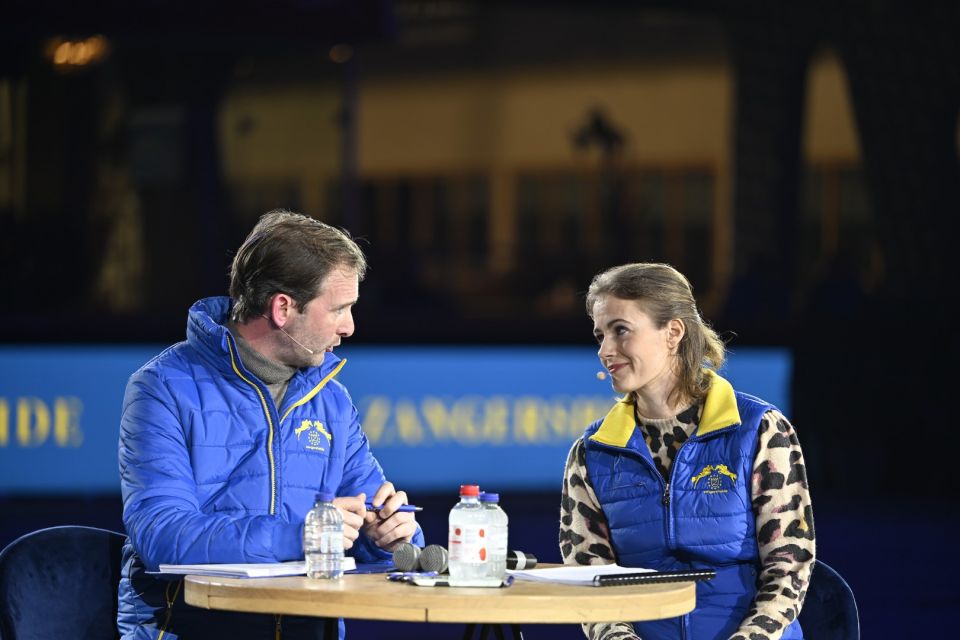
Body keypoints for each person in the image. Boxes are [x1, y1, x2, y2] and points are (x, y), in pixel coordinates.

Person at [117, 209, 424, 639]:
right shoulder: (161, 388)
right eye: (339, 309)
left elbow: (375, 513)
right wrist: (302, 535)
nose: (350, 327)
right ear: (282, 308)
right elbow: (163, 537)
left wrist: (391, 535)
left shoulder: (331, 399)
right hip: (194, 630)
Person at [560, 263, 814, 640]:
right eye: (600, 335)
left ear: (673, 332)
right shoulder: (591, 452)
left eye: (621, 331)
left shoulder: (761, 430)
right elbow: (589, 579)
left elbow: (789, 568)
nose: (605, 350)